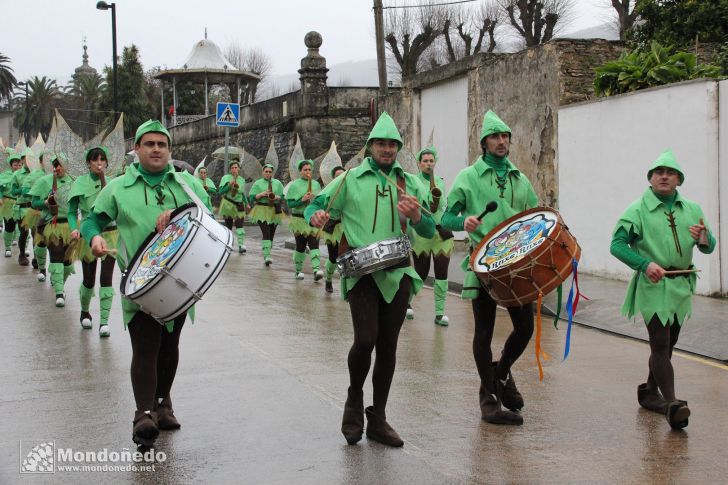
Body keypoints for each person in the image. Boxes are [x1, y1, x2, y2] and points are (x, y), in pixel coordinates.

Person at [306, 112, 435, 447]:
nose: (387, 149)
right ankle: (353, 399)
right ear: (370, 146)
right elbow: (316, 206)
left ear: (399, 148)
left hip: (398, 273)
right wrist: (317, 215)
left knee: (388, 345)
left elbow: (431, 229)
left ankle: (378, 417)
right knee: (365, 340)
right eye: (381, 143)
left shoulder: (410, 181)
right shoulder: (349, 179)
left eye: (392, 144)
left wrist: (418, 216)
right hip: (362, 272)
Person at [81, 120, 211, 449]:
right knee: (146, 346)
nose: (156, 149)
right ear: (136, 149)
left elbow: (207, 216)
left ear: (169, 150)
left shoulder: (187, 184)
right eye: (149, 144)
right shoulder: (118, 188)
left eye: (161, 144)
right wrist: (95, 236)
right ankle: (143, 415)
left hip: (181, 279)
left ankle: (163, 402)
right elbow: (92, 220)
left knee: (170, 346)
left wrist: (178, 210)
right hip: (139, 282)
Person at [441, 110, 538, 425]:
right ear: (484, 142)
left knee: (525, 328)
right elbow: (446, 218)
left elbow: (536, 216)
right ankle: (489, 399)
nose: (501, 141)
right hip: (482, 264)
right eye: (495, 137)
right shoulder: (468, 177)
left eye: (505, 136)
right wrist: (463, 221)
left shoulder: (520, 179)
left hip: (516, 265)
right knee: (483, 332)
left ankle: (500, 373)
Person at [610, 149, 715, 430]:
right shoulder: (636, 209)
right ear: (651, 179)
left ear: (679, 179)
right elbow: (617, 245)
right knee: (660, 342)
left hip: (681, 284)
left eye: (670, 173)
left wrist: (705, 239)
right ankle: (672, 405)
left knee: (671, 342)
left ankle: (648, 392)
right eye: (659, 172)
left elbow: (709, 246)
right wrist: (645, 264)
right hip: (652, 284)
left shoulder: (692, 209)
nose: (664, 176)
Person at [67, 146, 117, 337]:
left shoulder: (113, 182)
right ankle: (85, 311)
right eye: (95, 159)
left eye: (102, 159)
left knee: (106, 278)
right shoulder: (80, 183)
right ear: (88, 163)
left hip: (111, 234)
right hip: (89, 233)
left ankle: (104, 322)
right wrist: (74, 227)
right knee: (89, 279)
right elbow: (72, 210)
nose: (99, 163)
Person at [409, 147, 454, 325]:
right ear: (420, 164)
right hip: (422, 234)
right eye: (425, 161)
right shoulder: (414, 181)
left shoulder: (441, 182)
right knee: (421, 273)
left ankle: (439, 313)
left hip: (441, 233)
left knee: (442, 272)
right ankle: (406, 303)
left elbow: (444, 205)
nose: (428, 164)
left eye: (431, 161)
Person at [28, 153, 76, 307]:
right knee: (56, 254)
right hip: (51, 224)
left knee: (67, 262)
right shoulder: (44, 181)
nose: (59, 168)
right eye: (56, 165)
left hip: (71, 225)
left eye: (62, 164)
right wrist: (46, 202)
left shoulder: (75, 182)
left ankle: (59, 283)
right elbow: (34, 202)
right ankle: (59, 293)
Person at [286, 159, 323, 280]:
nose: (308, 171)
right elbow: (290, 204)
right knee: (300, 246)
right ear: (300, 171)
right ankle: (298, 270)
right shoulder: (295, 184)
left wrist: (313, 200)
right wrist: (301, 200)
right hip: (299, 219)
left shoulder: (316, 184)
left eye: (309, 169)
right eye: (305, 170)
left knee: (314, 244)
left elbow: (321, 203)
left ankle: (316, 270)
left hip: (312, 219)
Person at [248, 164, 284, 266]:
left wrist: (277, 197)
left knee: (271, 234)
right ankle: (266, 256)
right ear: (263, 172)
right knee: (266, 233)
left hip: (274, 210)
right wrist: (261, 194)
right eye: (266, 171)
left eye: (269, 172)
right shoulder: (257, 183)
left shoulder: (277, 183)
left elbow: (282, 196)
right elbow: (251, 197)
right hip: (261, 210)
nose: (268, 173)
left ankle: (267, 251)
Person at [21, 152, 49, 279]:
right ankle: (36, 259)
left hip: (56, 215)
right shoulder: (34, 176)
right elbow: (25, 191)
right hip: (36, 210)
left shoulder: (59, 175)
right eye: (46, 160)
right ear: (41, 162)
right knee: (36, 236)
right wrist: (36, 192)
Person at [321, 165, 345, 293]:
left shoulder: (350, 190)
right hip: (333, 227)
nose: (340, 177)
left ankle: (345, 285)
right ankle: (328, 279)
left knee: (346, 257)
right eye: (337, 176)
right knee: (333, 257)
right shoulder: (328, 191)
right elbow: (321, 206)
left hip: (346, 227)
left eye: (342, 175)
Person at [218, 158, 249, 253]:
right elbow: (220, 192)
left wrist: (247, 203)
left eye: (236, 167)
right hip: (228, 204)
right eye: (232, 168)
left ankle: (241, 245)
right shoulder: (226, 178)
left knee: (240, 225)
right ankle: (229, 244)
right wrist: (229, 185)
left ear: (238, 168)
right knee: (229, 226)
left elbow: (242, 193)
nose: (234, 169)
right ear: (230, 169)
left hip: (239, 204)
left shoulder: (242, 180)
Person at [8, 152, 33, 266]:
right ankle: (22, 254)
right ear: (22, 160)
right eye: (25, 159)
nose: (28, 161)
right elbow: (13, 192)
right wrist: (22, 190)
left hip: (35, 207)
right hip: (22, 208)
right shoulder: (17, 175)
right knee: (24, 232)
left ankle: (37, 258)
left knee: (37, 234)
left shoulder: (37, 173)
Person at [0, 152, 22, 257]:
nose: (18, 167)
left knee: (24, 227)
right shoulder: (4, 175)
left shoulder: (25, 175)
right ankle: (8, 248)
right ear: (11, 165)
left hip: (22, 203)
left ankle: (24, 249)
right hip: (8, 203)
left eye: (19, 165)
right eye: (15, 165)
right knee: (9, 226)